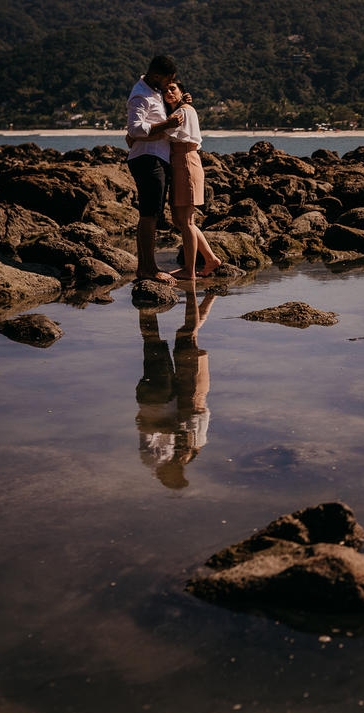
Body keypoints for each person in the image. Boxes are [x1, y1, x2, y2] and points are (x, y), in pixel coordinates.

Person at [135, 286, 215, 489]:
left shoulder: (154, 460)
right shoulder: (187, 451)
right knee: (182, 338)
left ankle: (150, 307)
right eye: (180, 473)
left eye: (176, 475)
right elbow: (187, 419)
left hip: (158, 398)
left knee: (155, 343)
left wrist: (178, 431)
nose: (180, 468)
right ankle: (200, 295)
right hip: (172, 398)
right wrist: (182, 437)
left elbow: (148, 426)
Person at [126, 55, 185, 284]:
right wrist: (167, 125)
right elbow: (134, 128)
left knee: (150, 214)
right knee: (149, 214)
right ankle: (148, 269)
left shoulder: (155, 91)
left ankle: (146, 267)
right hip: (147, 158)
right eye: (168, 80)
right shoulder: (140, 93)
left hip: (156, 157)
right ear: (157, 76)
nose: (170, 84)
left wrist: (180, 102)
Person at [161, 80, 222, 279]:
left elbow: (160, 133)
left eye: (173, 89)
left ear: (182, 92)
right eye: (165, 90)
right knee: (179, 220)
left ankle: (189, 270)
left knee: (186, 220)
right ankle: (210, 259)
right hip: (181, 161)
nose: (169, 92)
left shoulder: (183, 112)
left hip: (185, 161)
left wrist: (135, 136)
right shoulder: (179, 110)